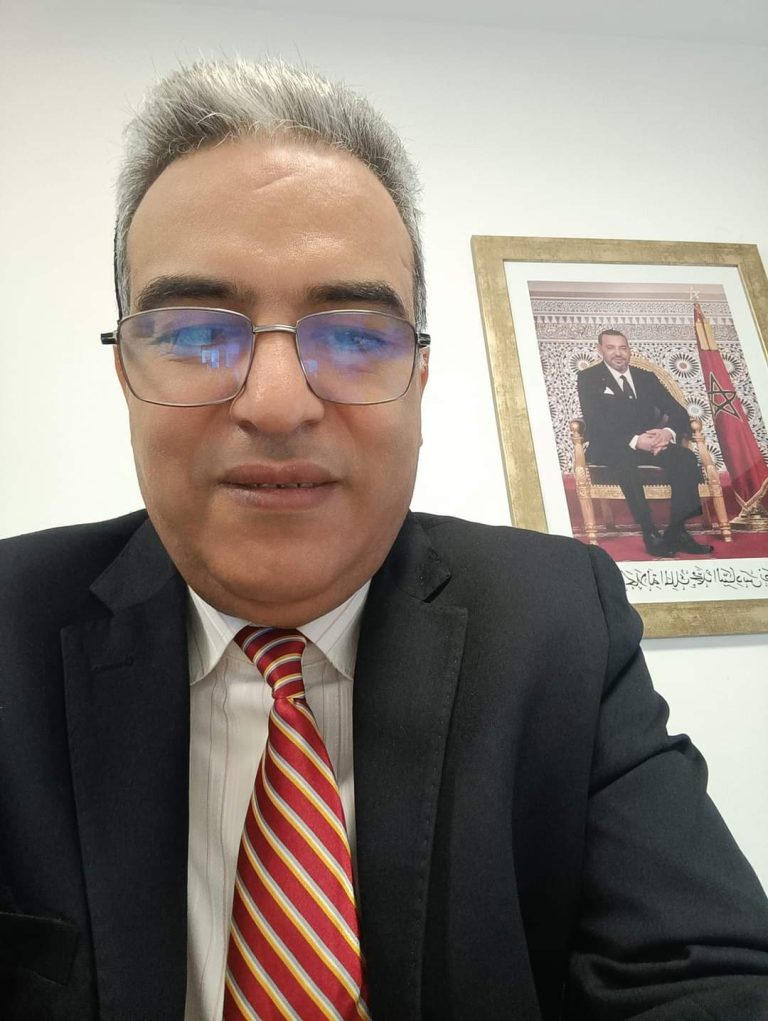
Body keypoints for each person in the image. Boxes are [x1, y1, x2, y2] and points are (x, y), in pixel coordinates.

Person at [1, 60, 767, 1021]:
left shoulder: (559, 623)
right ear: (126, 374)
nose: (276, 405)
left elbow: (707, 973)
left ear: (420, 381)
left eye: (357, 336)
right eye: (195, 335)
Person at [577, 328, 714, 557]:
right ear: (600, 350)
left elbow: (678, 412)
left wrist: (666, 433)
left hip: (651, 443)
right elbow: (595, 421)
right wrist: (635, 441)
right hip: (610, 446)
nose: (618, 353)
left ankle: (677, 530)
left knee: (685, 458)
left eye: (623, 348)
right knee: (624, 457)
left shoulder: (646, 377)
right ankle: (650, 532)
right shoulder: (588, 377)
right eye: (610, 348)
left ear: (629, 350)